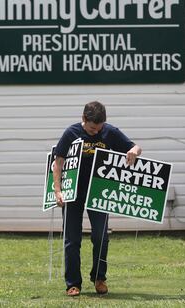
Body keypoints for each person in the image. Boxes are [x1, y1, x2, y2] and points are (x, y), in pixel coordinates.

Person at [53, 101, 142, 297]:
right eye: (92, 128)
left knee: (101, 236)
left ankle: (99, 278)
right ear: (83, 119)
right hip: (73, 194)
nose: (95, 132)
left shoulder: (109, 132)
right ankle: (73, 284)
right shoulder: (71, 133)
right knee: (72, 239)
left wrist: (134, 151)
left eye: (99, 128)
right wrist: (57, 190)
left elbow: (135, 147)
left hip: (99, 193)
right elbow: (58, 162)